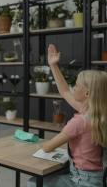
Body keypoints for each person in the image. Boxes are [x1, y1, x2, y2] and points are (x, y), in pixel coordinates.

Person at [28, 44, 107, 187]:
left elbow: (47, 147)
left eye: (76, 85)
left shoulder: (79, 121)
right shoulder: (97, 113)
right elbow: (65, 92)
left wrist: (36, 145)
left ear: (87, 94)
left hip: (81, 181)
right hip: (98, 179)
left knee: (34, 183)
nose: (73, 87)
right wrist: (53, 66)